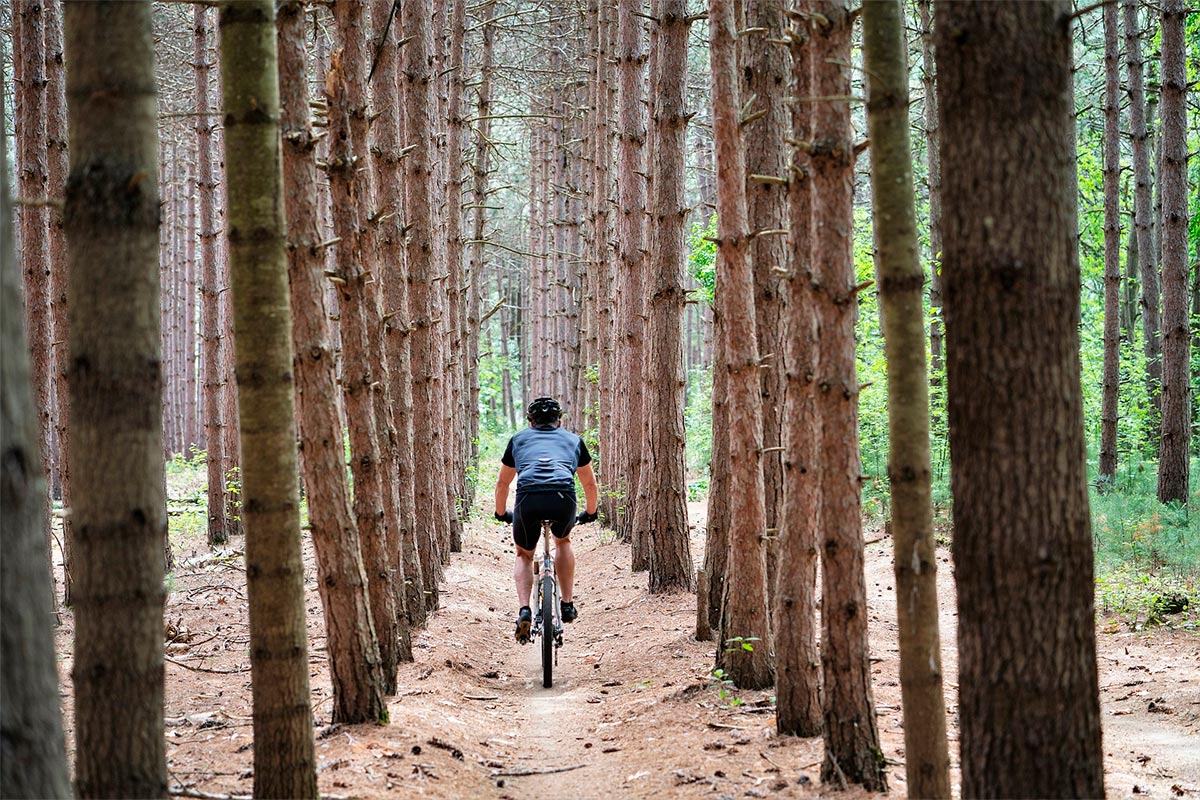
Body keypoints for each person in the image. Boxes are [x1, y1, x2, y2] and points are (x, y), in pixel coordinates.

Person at [494, 396, 598, 643]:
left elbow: (503, 483)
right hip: (562, 496)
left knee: (524, 554)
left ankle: (524, 610)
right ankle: (567, 604)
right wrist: (591, 512)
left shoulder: (518, 440)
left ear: (530, 422)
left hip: (528, 498)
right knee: (562, 541)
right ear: (559, 421)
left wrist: (500, 513)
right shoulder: (574, 440)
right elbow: (589, 484)